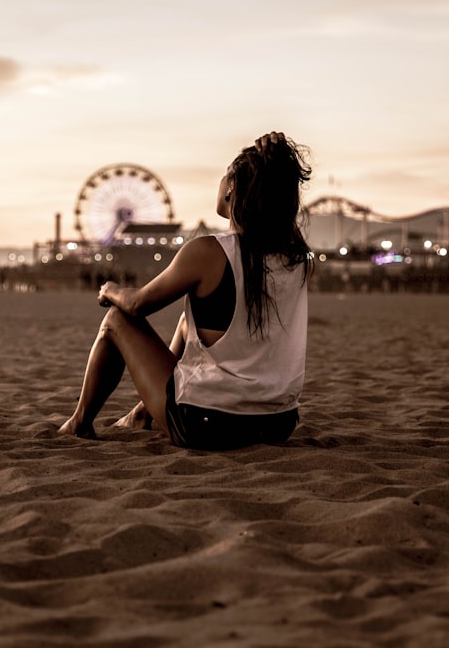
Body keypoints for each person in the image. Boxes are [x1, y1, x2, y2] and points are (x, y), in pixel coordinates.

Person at [58, 132, 313, 450]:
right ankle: (141, 415)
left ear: (231, 187)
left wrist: (111, 290)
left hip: (207, 424)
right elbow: (281, 211)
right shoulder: (297, 258)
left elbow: (137, 305)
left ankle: (79, 423)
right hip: (277, 423)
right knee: (187, 321)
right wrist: (276, 165)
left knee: (116, 319)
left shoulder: (208, 252)